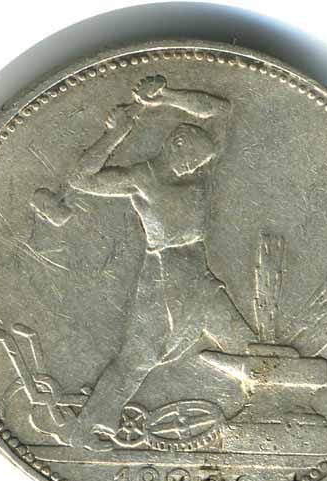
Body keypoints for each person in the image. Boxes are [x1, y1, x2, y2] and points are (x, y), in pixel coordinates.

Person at [62, 75, 256, 449]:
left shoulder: (201, 170)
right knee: (138, 358)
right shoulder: (141, 179)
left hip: (199, 277)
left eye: (200, 162)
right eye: (192, 160)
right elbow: (80, 179)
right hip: (162, 279)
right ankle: (87, 429)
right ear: (176, 144)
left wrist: (166, 96)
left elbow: (221, 109)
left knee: (243, 343)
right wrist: (115, 134)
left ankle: (262, 411)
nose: (196, 167)